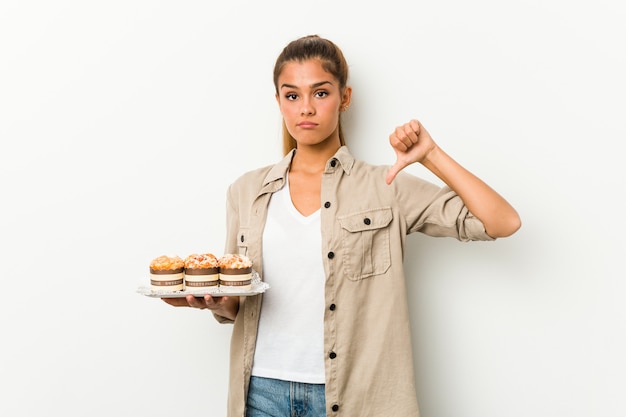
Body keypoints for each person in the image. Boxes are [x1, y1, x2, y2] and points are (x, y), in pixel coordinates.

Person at [163, 34, 521, 417]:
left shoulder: (386, 188)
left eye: (320, 93)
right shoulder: (246, 191)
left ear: (344, 98)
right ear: (278, 102)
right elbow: (241, 303)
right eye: (292, 95)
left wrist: (430, 155)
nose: (306, 108)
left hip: (356, 396)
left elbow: (501, 222)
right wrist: (210, 301)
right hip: (261, 392)